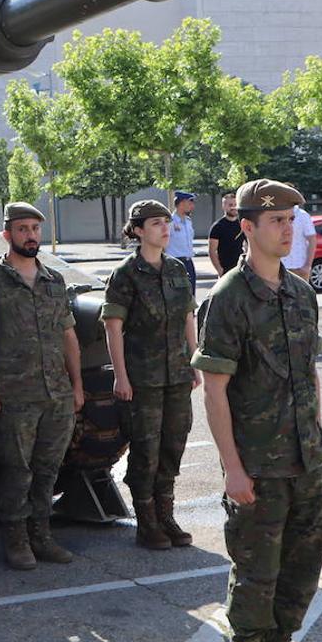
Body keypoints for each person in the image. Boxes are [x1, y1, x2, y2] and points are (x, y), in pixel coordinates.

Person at [193, 179, 322, 642]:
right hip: (259, 464)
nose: (287, 228)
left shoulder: (301, 294)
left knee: (301, 570)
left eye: (291, 219)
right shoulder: (228, 298)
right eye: (276, 220)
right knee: (257, 574)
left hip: (307, 461)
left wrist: (321, 445)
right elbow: (215, 389)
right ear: (246, 228)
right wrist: (232, 468)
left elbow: (310, 376)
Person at [0, 202, 84, 571]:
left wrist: (77, 384)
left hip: (57, 393)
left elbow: (69, 336)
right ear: (7, 234)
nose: (30, 235)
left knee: (48, 469)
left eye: (35, 228)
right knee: (17, 471)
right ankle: (16, 540)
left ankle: (42, 535)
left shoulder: (54, 280)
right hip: (14, 394)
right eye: (22, 229)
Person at [101, 200, 200, 551]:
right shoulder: (126, 273)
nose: (165, 228)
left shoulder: (175, 269)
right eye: (157, 223)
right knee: (146, 448)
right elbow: (113, 327)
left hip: (177, 374)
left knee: (173, 443)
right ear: (138, 230)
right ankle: (147, 521)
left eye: (167, 222)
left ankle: (166, 514)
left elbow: (189, 316)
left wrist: (194, 360)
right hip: (142, 377)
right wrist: (120, 376)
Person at [208, 192, 246, 276]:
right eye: (230, 205)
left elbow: (249, 245)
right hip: (225, 270)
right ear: (223, 206)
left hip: (241, 268)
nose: (233, 207)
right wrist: (219, 270)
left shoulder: (243, 224)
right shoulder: (217, 227)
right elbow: (212, 251)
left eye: (235, 204)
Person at [168, 191, 197, 292]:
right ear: (181, 203)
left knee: (191, 296)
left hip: (188, 262)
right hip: (175, 263)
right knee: (178, 296)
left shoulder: (188, 221)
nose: (192, 206)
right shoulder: (170, 222)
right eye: (190, 203)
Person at [282, 198, 316, 282]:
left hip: (298, 266)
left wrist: (307, 266)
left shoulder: (302, 215)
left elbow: (312, 240)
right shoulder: (277, 215)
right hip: (280, 267)